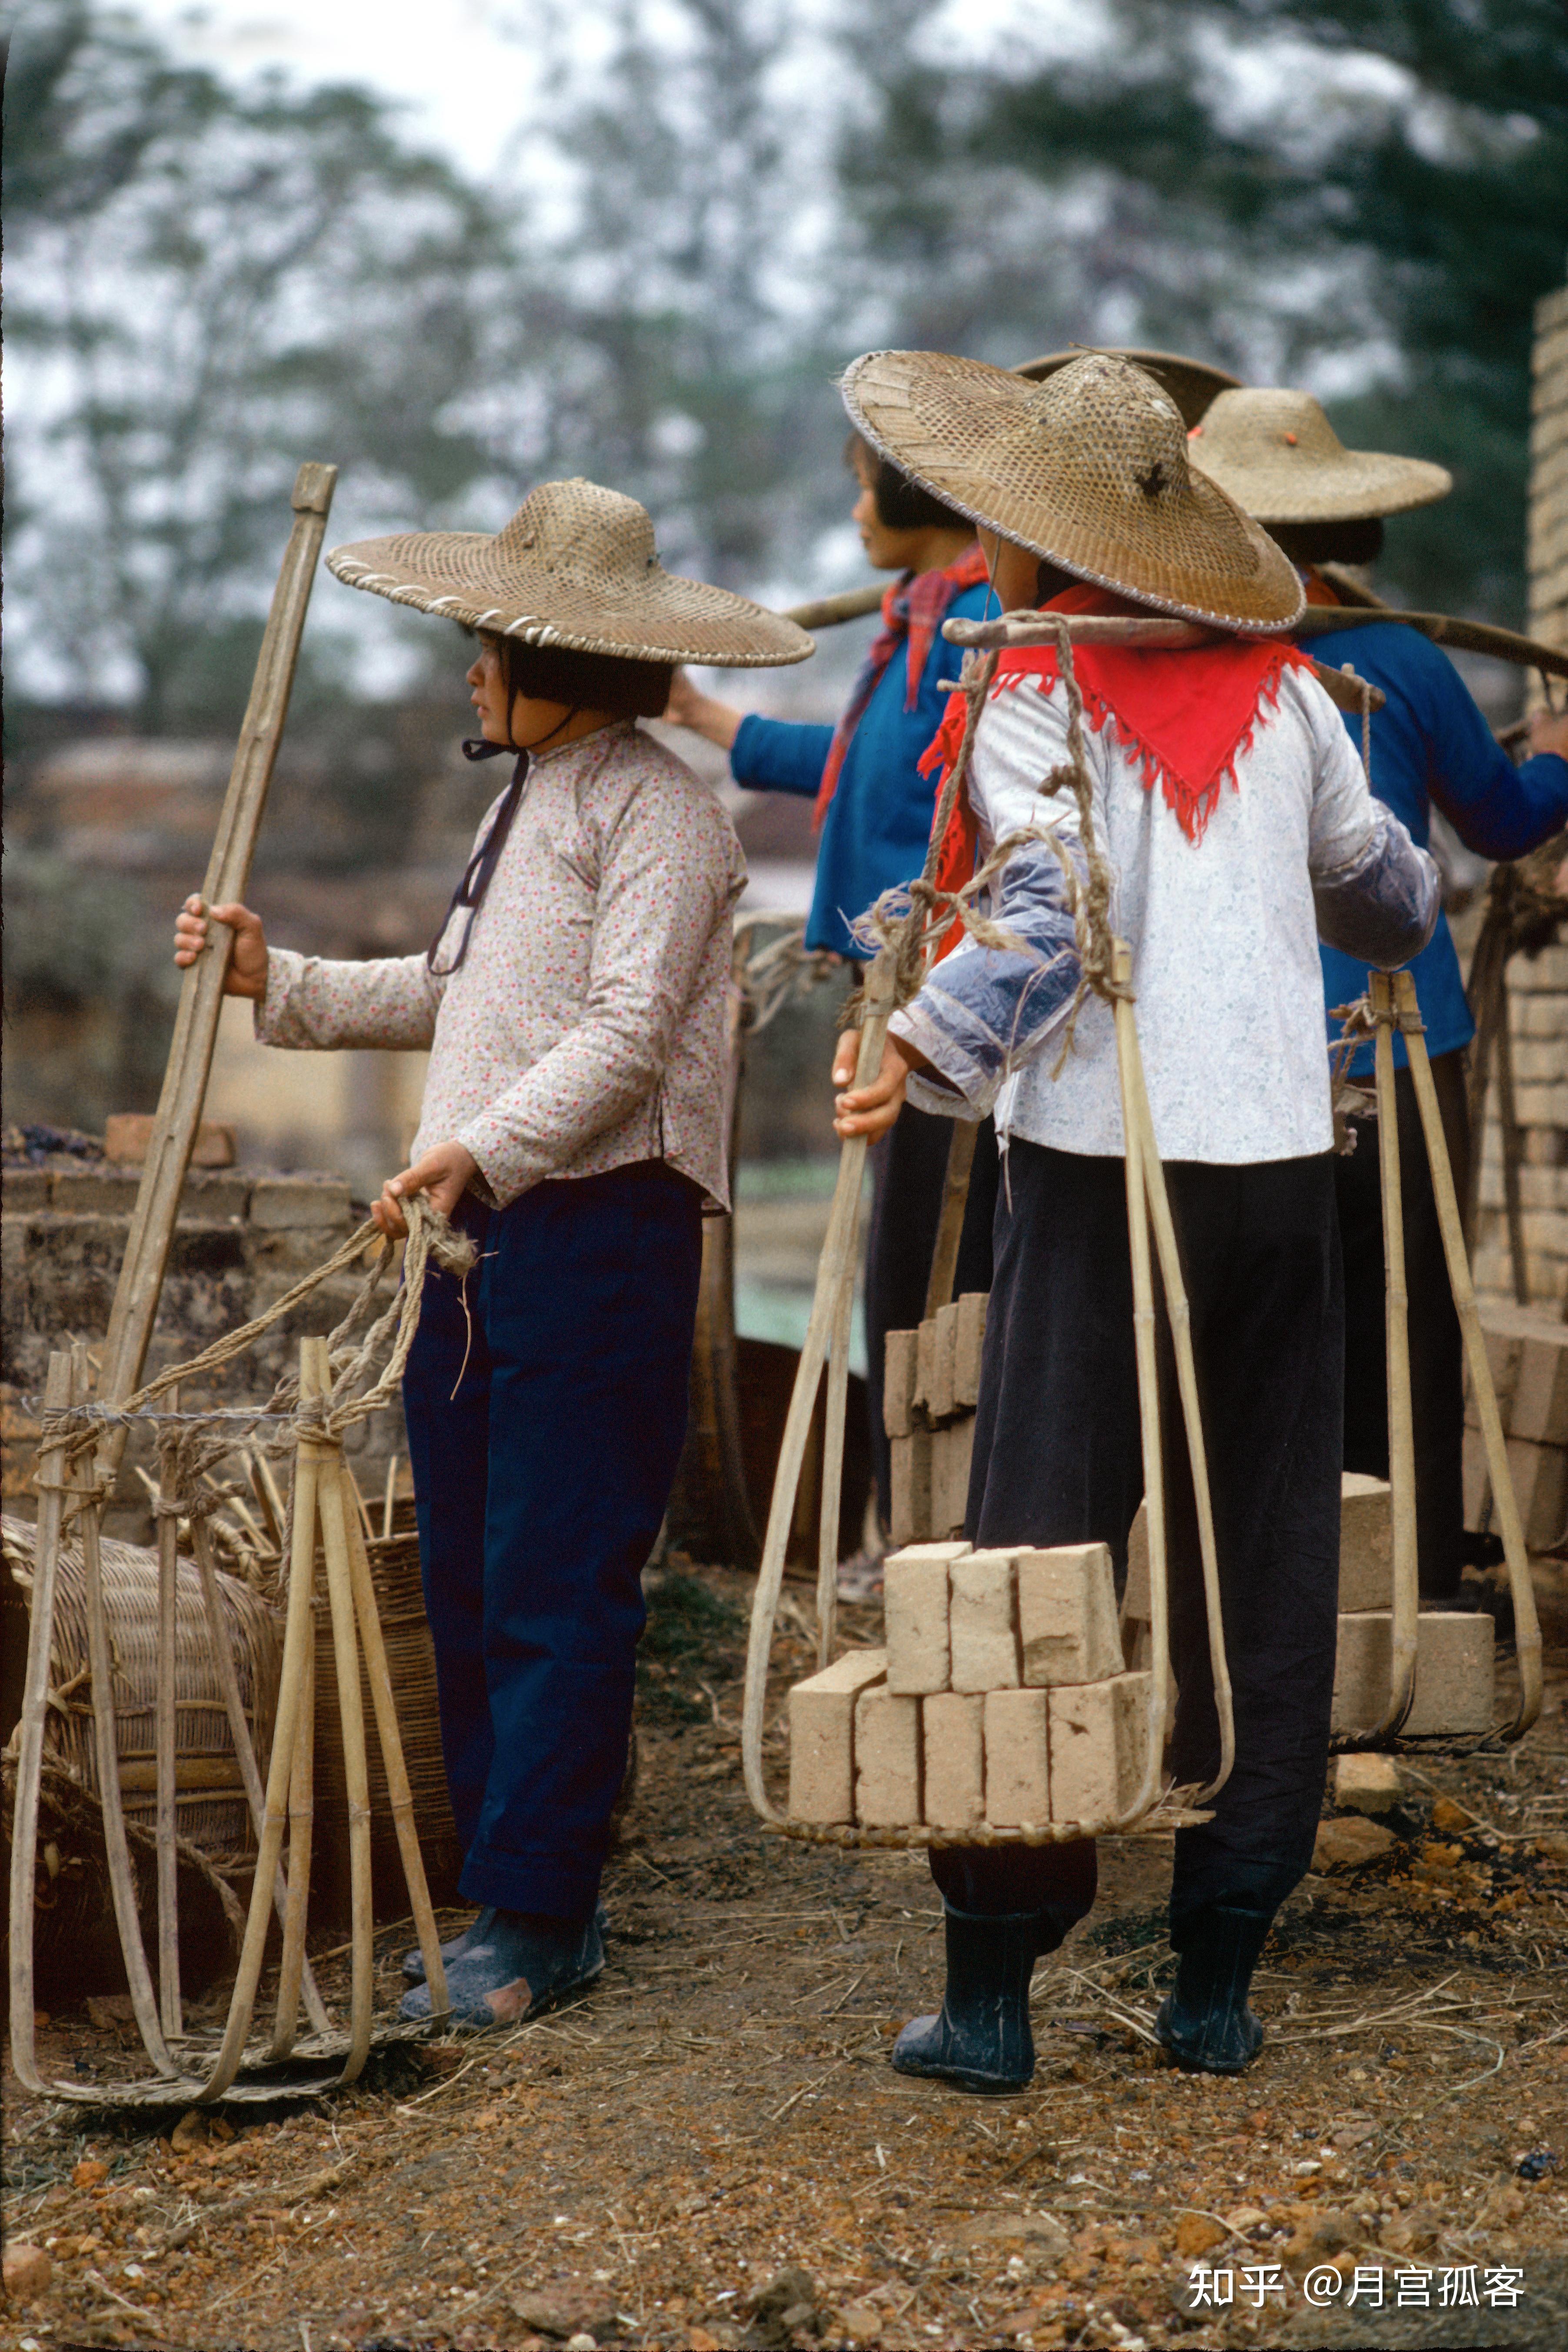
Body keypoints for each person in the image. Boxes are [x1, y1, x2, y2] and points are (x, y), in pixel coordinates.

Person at [831, 349, 1439, 2085]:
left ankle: (994, 1992)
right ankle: (1215, 1975)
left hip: (1105, 1180)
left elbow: (1037, 912)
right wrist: (1352, 852)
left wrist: (917, 1048)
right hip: (1271, 1172)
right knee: (1262, 1550)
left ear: (1040, 545)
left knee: (1036, 1548)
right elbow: (1389, 899)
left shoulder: (1030, 690)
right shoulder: (1297, 695)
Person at [174, 479, 809, 2029]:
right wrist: (288, 979)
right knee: (464, 1569)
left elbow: (626, 1034)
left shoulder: (660, 809)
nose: (468, 672)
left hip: (597, 1237)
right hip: (481, 1242)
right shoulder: (526, 794)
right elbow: (461, 995)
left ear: (560, 667)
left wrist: (484, 1154)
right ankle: (499, 1887)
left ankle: (541, 1916)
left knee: (552, 1577)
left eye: (485, 649)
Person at [1190, 389, 1568, 1602]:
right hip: (1403, 1046)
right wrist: (1558, 750)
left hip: (1250, 1053)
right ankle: (1419, 1582)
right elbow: (1505, 826)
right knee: (1410, 1312)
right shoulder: (1401, 659)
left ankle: (1288, 1580)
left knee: (1273, 1317)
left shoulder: (1195, 662)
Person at [664, 437, 1000, 1541]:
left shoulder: (986, 622)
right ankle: (902, 1530)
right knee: (892, 1269)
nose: (856, 508)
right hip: (886, 988)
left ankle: (938, 1530)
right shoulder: (913, 611)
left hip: (955, 1002)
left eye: (868, 485)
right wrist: (704, 715)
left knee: (937, 1270)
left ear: (924, 493)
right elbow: (864, 765)